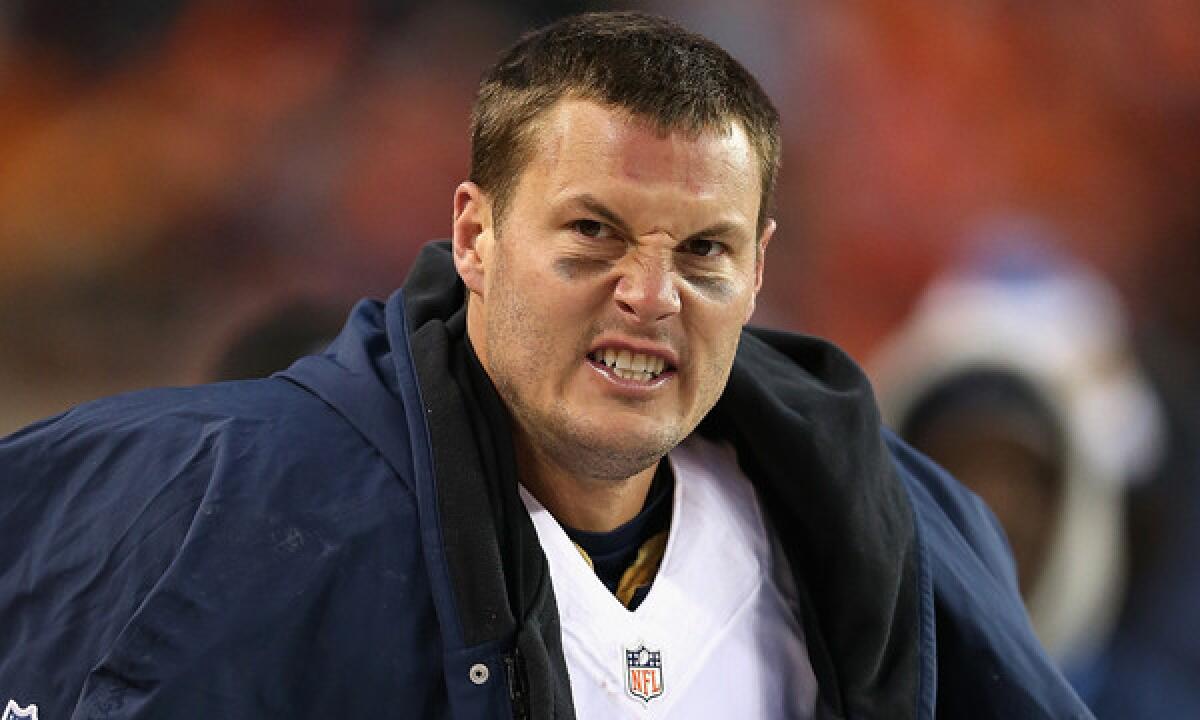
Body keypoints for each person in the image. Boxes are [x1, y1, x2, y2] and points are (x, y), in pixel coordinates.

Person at [0, 12, 1089, 719]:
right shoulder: (206, 500)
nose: (651, 295)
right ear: (474, 237)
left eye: (703, 251)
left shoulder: (892, 525)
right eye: (594, 233)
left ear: (758, 271)